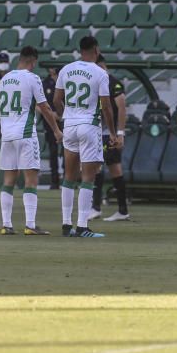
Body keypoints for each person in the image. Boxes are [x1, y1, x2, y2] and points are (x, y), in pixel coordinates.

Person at [53, 36, 119, 239]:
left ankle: (66, 224)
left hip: (70, 126)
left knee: (69, 177)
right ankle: (82, 226)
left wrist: (67, 116)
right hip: (89, 126)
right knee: (89, 177)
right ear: (96, 50)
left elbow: (56, 99)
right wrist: (113, 132)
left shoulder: (66, 69)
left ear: (80, 50)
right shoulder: (100, 73)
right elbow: (106, 106)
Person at [0, 47, 62, 236]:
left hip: (6, 136)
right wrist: (57, 131)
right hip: (25, 134)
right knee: (31, 181)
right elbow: (45, 107)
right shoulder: (32, 78)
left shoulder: (4, 79)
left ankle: (6, 225)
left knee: (8, 182)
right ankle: (30, 225)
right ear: (33, 61)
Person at [90, 56, 130, 222]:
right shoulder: (96, 82)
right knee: (96, 168)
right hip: (97, 132)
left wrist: (120, 132)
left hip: (110, 133)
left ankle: (121, 209)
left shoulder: (113, 82)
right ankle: (97, 207)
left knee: (113, 168)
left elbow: (121, 107)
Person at [41, 66, 62, 189]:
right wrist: (50, 114)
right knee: (53, 150)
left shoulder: (64, 80)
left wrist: (63, 114)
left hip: (64, 119)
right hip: (49, 121)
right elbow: (38, 104)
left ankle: (68, 179)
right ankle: (54, 181)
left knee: (68, 150)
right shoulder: (44, 83)